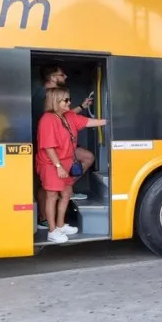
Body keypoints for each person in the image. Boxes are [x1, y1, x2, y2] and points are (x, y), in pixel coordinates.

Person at [36, 87, 107, 243]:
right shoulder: (47, 119)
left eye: (69, 99)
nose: (70, 102)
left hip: (67, 161)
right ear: (55, 102)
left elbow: (90, 122)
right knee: (52, 195)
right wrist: (58, 166)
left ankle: (60, 226)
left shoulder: (68, 116)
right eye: (66, 100)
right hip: (51, 163)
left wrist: (110, 120)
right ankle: (52, 231)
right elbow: (48, 147)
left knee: (67, 194)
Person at [32, 65, 94, 229]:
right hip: (47, 147)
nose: (65, 76)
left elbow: (63, 114)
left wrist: (81, 107)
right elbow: (54, 118)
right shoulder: (43, 96)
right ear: (52, 78)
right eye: (61, 74)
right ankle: (44, 218)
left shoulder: (52, 96)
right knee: (45, 186)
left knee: (87, 157)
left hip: (60, 145)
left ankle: (65, 188)